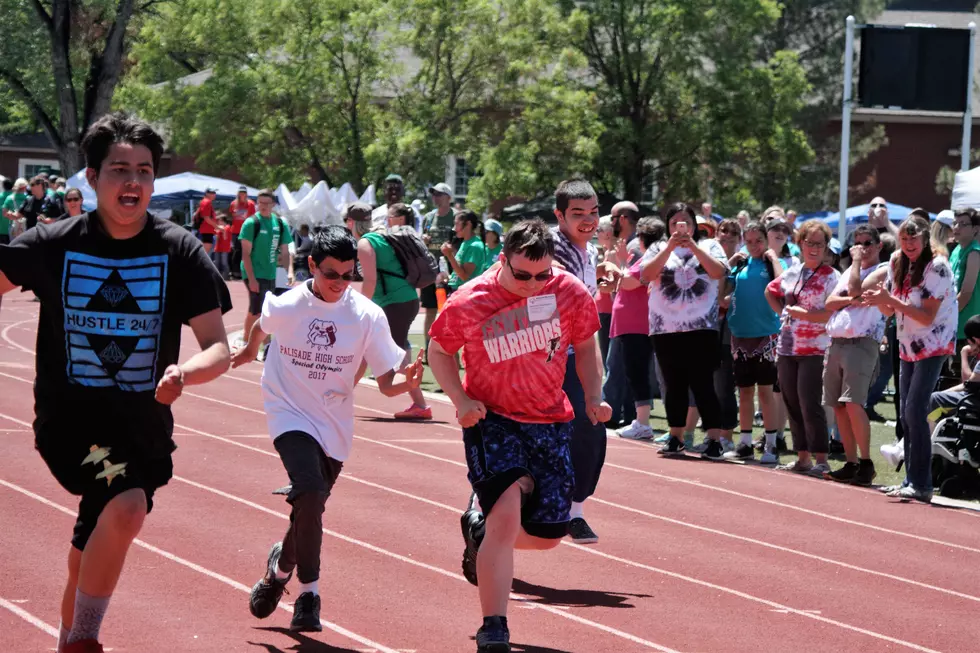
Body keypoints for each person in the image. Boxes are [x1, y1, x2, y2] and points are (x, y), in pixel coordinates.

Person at [0, 113, 232, 653]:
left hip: (143, 428)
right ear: (92, 176)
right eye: (120, 169)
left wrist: (185, 373)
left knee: (88, 553)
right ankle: (85, 643)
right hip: (70, 424)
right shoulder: (52, 244)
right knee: (127, 507)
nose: (133, 182)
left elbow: (219, 348)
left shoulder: (179, 251)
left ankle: (66, 639)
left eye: (145, 172)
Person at [427, 219, 609, 653]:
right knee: (506, 516)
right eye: (522, 275)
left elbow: (585, 345)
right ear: (502, 260)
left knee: (547, 536)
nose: (532, 284)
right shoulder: (472, 298)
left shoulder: (568, 292)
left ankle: (480, 532)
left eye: (541, 275)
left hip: (549, 420)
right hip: (493, 419)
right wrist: (460, 400)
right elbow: (438, 350)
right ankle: (495, 627)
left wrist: (594, 394)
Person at [235, 226, 424, 633]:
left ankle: (279, 569)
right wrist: (251, 350)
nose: (339, 283)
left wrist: (407, 383)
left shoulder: (366, 316)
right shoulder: (289, 304)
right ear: (311, 267)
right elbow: (261, 325)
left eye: (348, 274)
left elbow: (387, 383)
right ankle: (309, 595)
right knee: (311, 489)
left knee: (310, 503)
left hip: (333, 422)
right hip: (287, 411)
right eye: (330, 274)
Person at [864, 215, 958, 502]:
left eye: (913, 239)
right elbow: (889, 312)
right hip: (907, 344)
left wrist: (890, 301)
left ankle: (922, 483)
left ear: (925, 238)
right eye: (904, 239)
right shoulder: (897, 261)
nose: (908, 244)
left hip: (935, 343)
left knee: (916, 409)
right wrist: (880, 299)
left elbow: (927, 316)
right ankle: (911, 480)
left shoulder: (937, 267)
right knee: (907, 411)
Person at [641, 202, 730, 460]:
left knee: (703, 384)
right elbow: (646, 275)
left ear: (694, 224)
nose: (681, 228)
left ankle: (713, 439)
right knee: (673, 384)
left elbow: (718, 271)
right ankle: (676, 436)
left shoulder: (709, 246)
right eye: (675, 224)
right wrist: (670, 246)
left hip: (701, 327)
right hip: (664, 328)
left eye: (686, 223)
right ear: (667, 227)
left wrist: (691, 246)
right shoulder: (659, 247)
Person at [548, 179, 606, 544]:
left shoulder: (591, 254)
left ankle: (575, 511)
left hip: (577, 355)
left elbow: (587, 315)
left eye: (593, 212)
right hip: (542, 359)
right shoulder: (549, 249)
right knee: (538, 436)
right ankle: (488, 501)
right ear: (559, 216)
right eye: (578, 214)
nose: (587, 220)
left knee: (591, 429)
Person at [765, 220, 840, 476]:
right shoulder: (792, 272)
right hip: (787, 347)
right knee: (791, 402)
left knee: (810, 403)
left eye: (820, 243)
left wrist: (803, 314)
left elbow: (831, 313)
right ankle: (802, 457)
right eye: (809, 243)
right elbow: (769, 291)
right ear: (800, 244)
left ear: (826, 246)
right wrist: (783, 315)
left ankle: (822, 458)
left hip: (816, 349)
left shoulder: (832, 276)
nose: (814, 248)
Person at [821, 225, 887, 486]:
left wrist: (856, 268)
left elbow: (857, 291)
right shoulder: (849, 270)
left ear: (879, 245)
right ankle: (851, 462)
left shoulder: (883, 270)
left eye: (867, 242)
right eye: (857, 243)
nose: (861, 247)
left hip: (862, 342)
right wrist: (850, 297)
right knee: (838, 405)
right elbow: (829, 303)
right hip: (837, 341)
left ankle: (866, 462)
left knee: (853, 402)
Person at [357, 203, 432, 420]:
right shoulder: (384, 238)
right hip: (403, 300)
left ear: (352, 223)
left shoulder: (367, 242)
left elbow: (370, 279)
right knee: (378, 350)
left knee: (386, 362)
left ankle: (420, 403)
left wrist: (360, 308)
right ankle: (339, 397)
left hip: (395, 303)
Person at [723, 221, 786, 463]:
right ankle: (745, 443)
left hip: (766, 335)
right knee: (745, 392)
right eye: (748, 241)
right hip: (740, 336)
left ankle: (771, 445)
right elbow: (723, 292)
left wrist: (773, 257)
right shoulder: (741, 265)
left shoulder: (770, 265)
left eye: (758, 241)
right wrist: (729, 266)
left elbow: (782, 284)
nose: (753, 246)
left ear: (766, 240)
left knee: (766, 392)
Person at [609, 217, 665, 440]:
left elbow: (629, 282)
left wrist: (619, 262)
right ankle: (640, 422)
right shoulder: (645, 260)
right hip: (632, 325)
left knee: (639, 373)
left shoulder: (648, 260)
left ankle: (643, 423)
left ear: (642, 239)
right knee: (635, 374)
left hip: (638, 326)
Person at [240, 189, 294, 353]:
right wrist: (252, 279)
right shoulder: (251, 224)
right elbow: (245, 254)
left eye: (266, 203)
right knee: (258, 310)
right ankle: (253, 343)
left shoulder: (280, 224)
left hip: (271, 272)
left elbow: (285, 251)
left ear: (273, 205)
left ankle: (259, 343)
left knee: (265, 309)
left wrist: (289, 271)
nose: (262, 206)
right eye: (260, 203)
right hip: (254, 272)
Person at [420, 182, 456, 353]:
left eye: (439, 194)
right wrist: (423, 240)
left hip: (450, 269)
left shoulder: (456, 216)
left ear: (448, 197)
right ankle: (428, 348)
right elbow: (421, 240)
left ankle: (449, 346)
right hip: (431, 269)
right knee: (430, 310)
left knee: (450, 308)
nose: (435, 197)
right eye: (434, 194)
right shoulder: (429, 217)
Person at [950, 208, 980, 377]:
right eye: (955, 223)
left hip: (968, 331)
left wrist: (947, 319)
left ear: (975, 229)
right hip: (955, 328)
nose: (957, 227)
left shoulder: (974, 252)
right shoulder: (956, 251)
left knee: (964, 383)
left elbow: (966, 292)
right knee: (948, 378)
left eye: (963, 224)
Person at [442, 210, 487, 293]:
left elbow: (465, 276)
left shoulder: (475, 246)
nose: (454, 228)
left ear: (468, 224)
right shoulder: (465, 243)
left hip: (465, 292)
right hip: (457, 290)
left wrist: (449, 255)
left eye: (457, 224)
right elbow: (458, 270)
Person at [230, 186, 256, 279]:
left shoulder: (251, 204)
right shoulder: (233, 203)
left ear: (246, 193)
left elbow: (253, 217)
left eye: (244, 192)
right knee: (236, 251)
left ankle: (246, 272)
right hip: (236, 231)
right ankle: (235, 272)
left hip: (247, 231)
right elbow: (232, 216)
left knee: (247, 252)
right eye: (240, 192)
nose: (242, 194)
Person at [193, 187, 219, 255]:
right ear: (207, 194)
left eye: (214, 193)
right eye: (212, 193)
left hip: (206, 230)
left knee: (205, 253)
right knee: (204, 254)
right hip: (206, 230)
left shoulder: (206, 202)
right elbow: (206, 218)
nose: (214, 194)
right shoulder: (206, 202)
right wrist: (217, 227)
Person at [213, 214, 233, 280]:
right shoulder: (219, 227)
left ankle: (226, 277)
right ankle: (217, 277)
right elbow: (217, 238)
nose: (218, 222)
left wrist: (222, 230)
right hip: (218, 247)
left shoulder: (227, 227)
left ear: (222, 220)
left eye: (219, 220)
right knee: (217, 262)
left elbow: (225, 238)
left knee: (224, 263)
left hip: (225, 248)